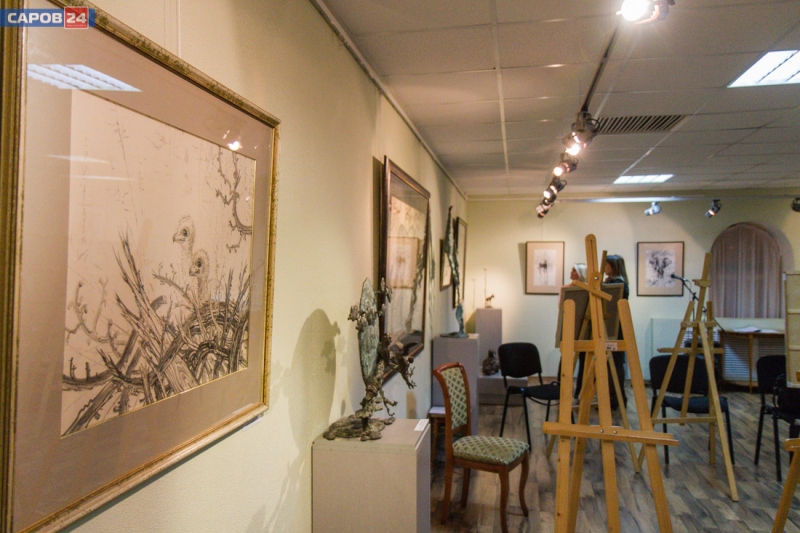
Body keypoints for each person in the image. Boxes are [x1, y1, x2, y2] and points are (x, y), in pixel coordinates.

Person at [604, 254, 629, 409]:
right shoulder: (612, 282)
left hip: (616, 328)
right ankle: (612, 398)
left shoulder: (618, 283)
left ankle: (616, 399)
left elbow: (611, 304)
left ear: (614, 266)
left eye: (606, 265)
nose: (604, 268)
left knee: (615, 364)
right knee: (610, 364)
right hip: (611, 327)